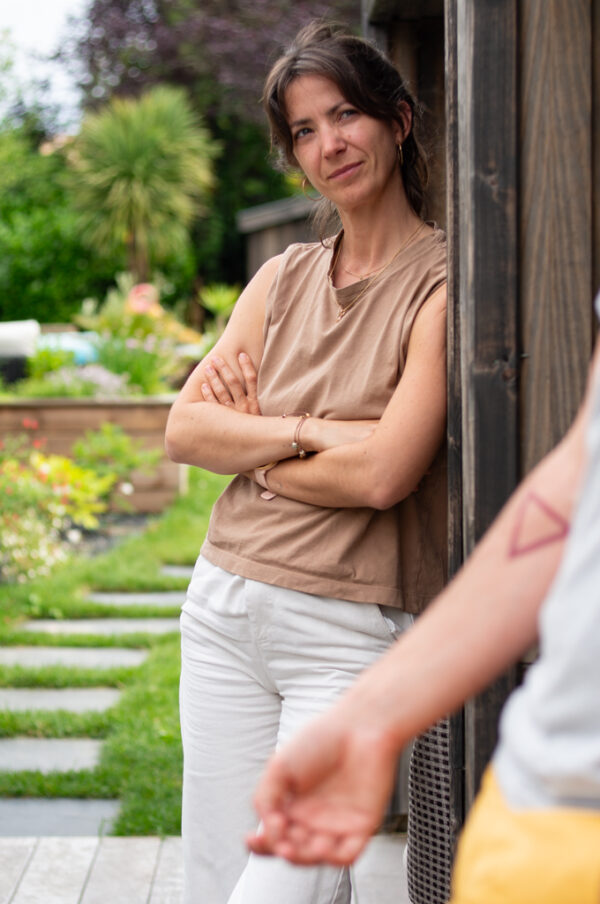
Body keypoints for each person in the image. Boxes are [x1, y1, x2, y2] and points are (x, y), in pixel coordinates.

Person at [165, 20, 448, 904]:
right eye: (304, 130)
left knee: (283, 885)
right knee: (218, 885)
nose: (330, 145)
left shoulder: (444, 282)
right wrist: (316, 432)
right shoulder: (282, 276)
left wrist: (255, 444)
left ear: (398, 122)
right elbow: (184, 429)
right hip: (221, 609)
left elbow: (382, 476)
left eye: (347, 116)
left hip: (346, 635)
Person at [248, 303, 600, 903]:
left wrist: (265, 455)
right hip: (541, 823)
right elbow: (573, 489)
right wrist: (368, 720)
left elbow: (383, 473)